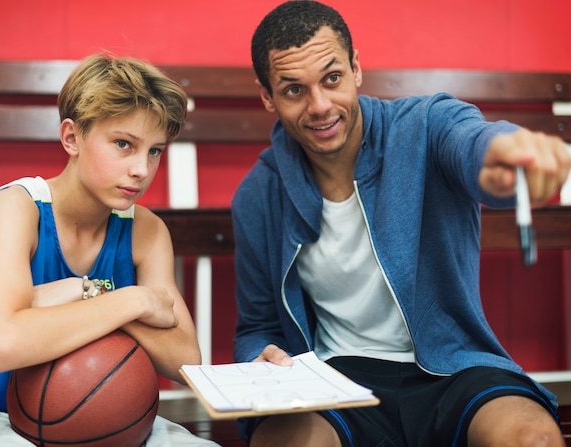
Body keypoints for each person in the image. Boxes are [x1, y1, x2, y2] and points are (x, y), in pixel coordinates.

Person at [231, 1, 571, 446]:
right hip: (336, 379)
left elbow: (474, 143)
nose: (319, 106)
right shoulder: (258, 195)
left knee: (532, 438)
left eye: (332, 78)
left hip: (453, 365)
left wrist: (506, 156)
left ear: (355, 69)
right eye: (294, 90)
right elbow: (257, 326)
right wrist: (259, 358)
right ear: (266, 96)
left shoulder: (425, 125)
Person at [0, 54, 219, 447]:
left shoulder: (146, 230)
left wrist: (75, 296)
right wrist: (129, 300)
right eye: (124, 144)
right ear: (72, 138)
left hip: (119, 423)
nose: (142, 169)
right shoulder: (15, 208)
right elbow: (4, 344)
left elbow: (186, 360)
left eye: (154, 151)